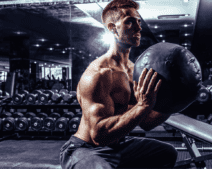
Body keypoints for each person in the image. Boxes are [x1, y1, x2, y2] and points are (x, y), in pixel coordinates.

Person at [59, 0, 178, 168]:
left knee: (167, 153)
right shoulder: (99, 74)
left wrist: (175, 102)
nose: (138, 27)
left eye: (138, 21)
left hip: (117, 146)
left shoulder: (133, 70)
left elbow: (146, 123)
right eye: (129, 21)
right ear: (112, 28)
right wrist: (143, 105)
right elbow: (98, 136)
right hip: (85, 148)